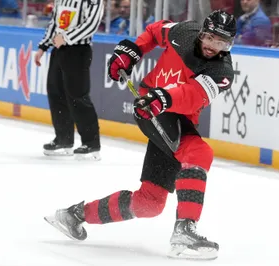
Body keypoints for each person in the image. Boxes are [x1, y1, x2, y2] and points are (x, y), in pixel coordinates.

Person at [44, 10, 236, 260]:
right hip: (149, 107)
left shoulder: (222, 72)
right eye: (210, 38)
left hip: (174, 113)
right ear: (202, 32)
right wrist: (133, 50)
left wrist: (164, 98)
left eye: (222, 42)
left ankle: (74, 215)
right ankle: (185, 230)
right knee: (199, 151)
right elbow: (156, 30)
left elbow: (193, 95)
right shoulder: (183, 32)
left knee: (149, 204)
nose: (213, 46)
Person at [35, 0, 104, 160]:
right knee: (55, 93)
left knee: (78, 96)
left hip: (78, 51)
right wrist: (43, 47)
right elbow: (55, 22)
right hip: (59, 50)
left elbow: (92, 24)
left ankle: (91, 143)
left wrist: (66, 37)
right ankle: (63, 138)